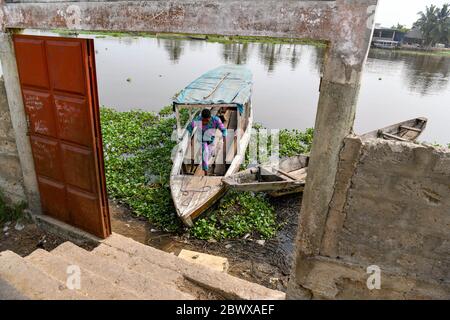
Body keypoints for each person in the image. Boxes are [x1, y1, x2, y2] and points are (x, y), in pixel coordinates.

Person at [187, 109, 227, 175]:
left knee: (211, 151)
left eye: (207, 120)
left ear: (210, 118)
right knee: (205, 153)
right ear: (201, 118)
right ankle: (205, 172)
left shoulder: (216, 120)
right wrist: (190, 138)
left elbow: (223, 129)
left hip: (211, 138)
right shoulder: (198, 120)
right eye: (203, 120)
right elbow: (189, 127)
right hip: (202, 139)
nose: (205, 122)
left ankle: (212, 153)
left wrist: (224, 137)